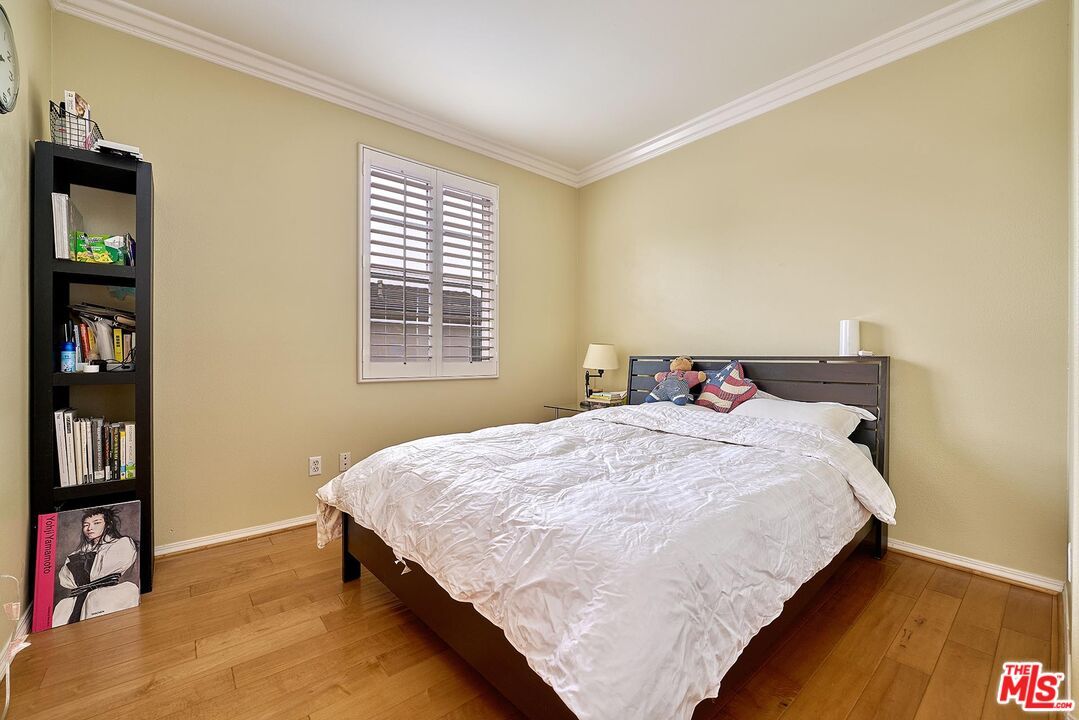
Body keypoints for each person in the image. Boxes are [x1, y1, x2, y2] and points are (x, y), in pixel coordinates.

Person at [51, 507, 139, 626]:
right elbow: (66, 579)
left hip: (105, 593)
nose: (89, 528)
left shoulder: (121, 543)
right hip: (80, 597)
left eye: (96, 523)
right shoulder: (75, 553)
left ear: (108, 525)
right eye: (86, 525)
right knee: (63, 609)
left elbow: (99, 574)